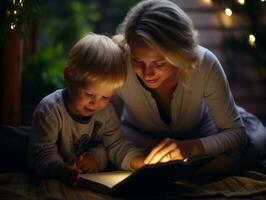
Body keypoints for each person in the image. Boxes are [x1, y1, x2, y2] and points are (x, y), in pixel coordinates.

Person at [112, 0, 266, 175]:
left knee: (257, 140)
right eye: (138, 61)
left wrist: (192, 147)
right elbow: (108, 132)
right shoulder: (118, 63)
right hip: (139, 140)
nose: (147, 73)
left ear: (180, 54)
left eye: (159, 63)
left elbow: (235, 133)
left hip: (204, 132)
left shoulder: (204, 62)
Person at [28, 33, 145, 185]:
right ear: (68, 76)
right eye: (89, 94)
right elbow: (41, 154)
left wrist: (137, 161)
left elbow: (114, 144)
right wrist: (60, 170)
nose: (96, 103)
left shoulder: (106, 111)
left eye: (105, 97)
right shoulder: (51, 111)